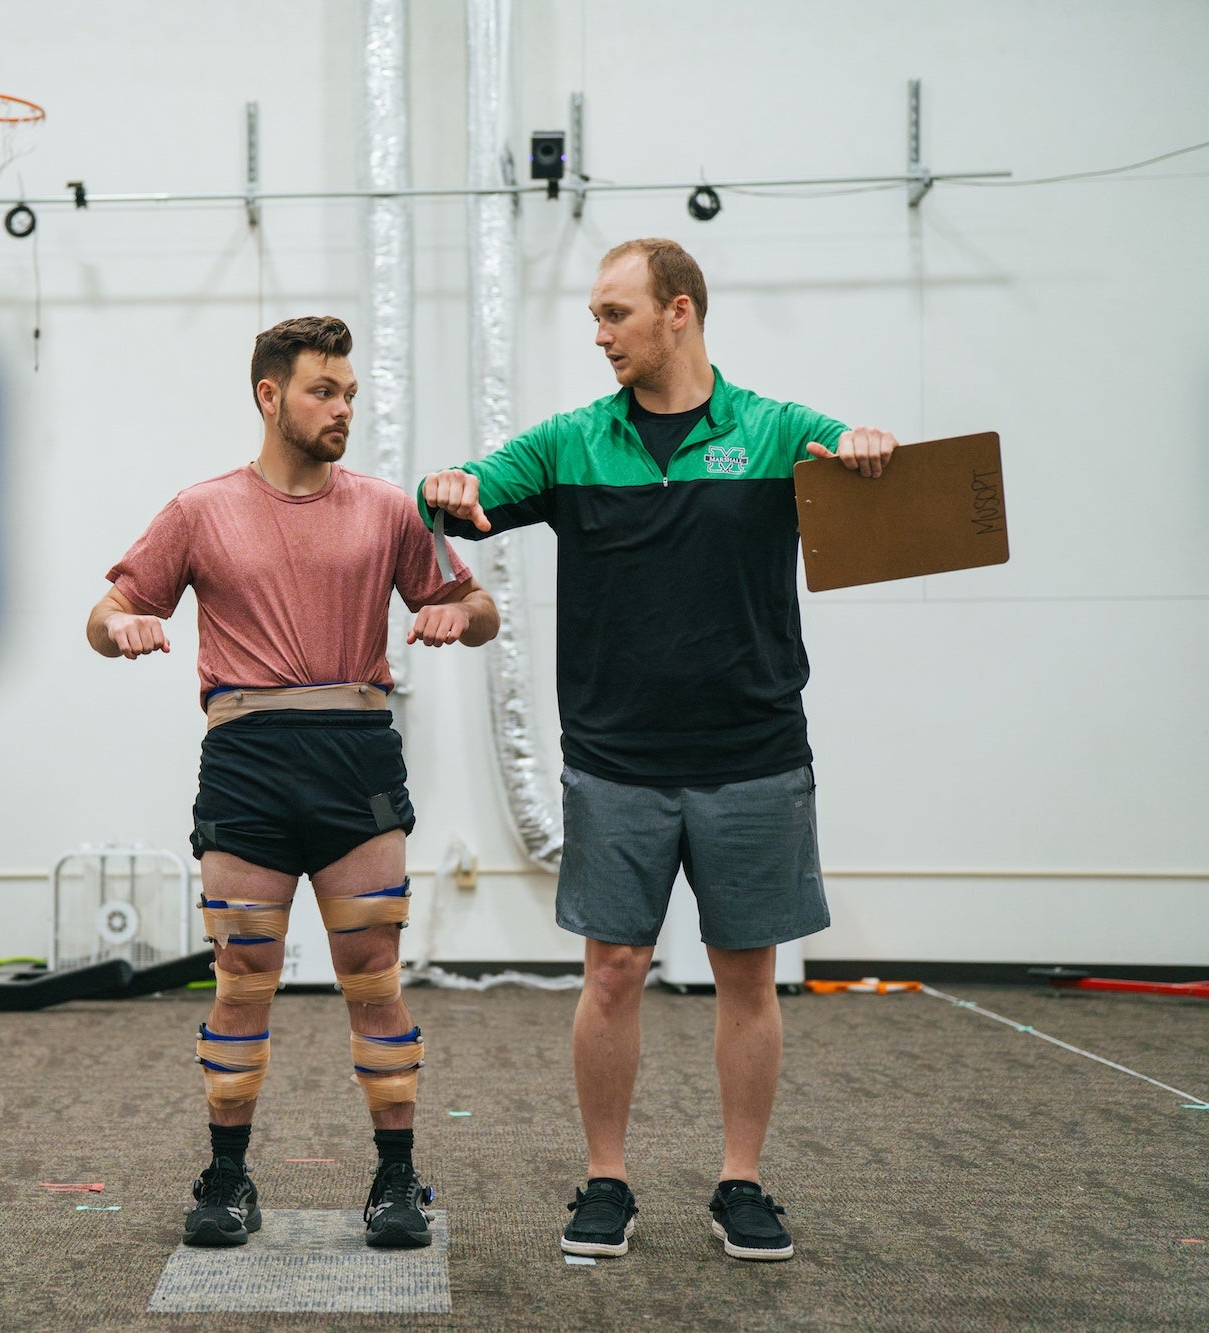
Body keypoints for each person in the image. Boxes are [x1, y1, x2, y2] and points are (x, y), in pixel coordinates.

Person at [417, 238, 898, 1263]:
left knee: (744, 975)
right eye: (595, 317)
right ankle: (604, 1180)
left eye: (614, 315)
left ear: (677, 312)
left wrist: (863, 445)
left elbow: (859, 452)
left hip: (755, 755)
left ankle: (741, 1181)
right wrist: (449, 482)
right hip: (614, 759)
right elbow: (468, 490)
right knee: (611, 973)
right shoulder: (570, 443)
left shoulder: (772, 430)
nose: (598, 335)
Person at [89, 315, 499, 1249]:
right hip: (247, 764)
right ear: (270, 396)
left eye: (350, 392)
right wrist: (119, 629)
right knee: (242, 978)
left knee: (374, 975)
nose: (343, 407)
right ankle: (227, 1177)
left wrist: (457, 621)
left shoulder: (391, 508)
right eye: (324, 390)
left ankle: (397, 1180)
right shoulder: (201, 509)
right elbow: (106, 609)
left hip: (354, 758)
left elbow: (478, 607)